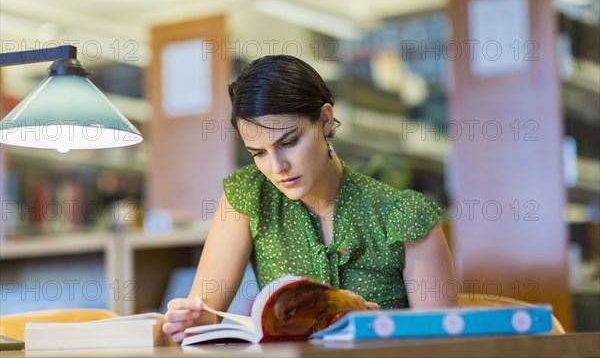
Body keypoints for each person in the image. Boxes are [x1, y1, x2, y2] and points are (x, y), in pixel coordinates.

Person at [163, 55, 457, 343]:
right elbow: (205, 309)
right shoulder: (249, 196)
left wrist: (373, 328)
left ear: (326, 120)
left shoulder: (405, 215)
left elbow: (446, 346)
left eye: (289, 142)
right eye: (259, 153)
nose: (277, 168)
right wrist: (191, 319)